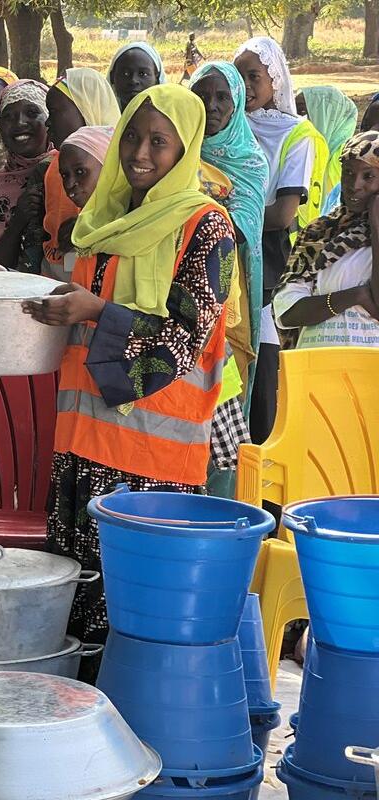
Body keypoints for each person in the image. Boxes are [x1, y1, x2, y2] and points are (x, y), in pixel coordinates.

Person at [23, 84, 235, 662]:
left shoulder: (206, 228)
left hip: (152, 466)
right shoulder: (103, 220)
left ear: (185, 148)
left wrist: (93, 310)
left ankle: (134, 742)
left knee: (135, 626)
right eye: (133, 138)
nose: (141, 153)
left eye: (159, 141)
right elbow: (86, 308)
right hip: (81, 448)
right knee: (74, 614)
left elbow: (184, 334)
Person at [235, 36, 327, 444]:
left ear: (276, 78)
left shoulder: (297, 134)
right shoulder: (231, 126)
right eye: (239, 77)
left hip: (270, 255)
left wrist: (228, 213)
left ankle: (264, 456)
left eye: (254, 76)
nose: (246, 86)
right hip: (234, 245)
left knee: (264, 356)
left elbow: (283, 213)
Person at [190, 61, 270, 496]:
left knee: (224, 408)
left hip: (229, 302)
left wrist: (195, 208)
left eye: (223, 97)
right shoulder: (177, 148)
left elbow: (240, 227)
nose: (213, 105)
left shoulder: (250, 161)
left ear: (238, 102)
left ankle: (221, 512)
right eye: (203, 95)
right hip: (180, 298)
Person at [275, 131, 379, 348]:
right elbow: (286, 312)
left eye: (368, 176)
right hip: (317, 368)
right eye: (348, 173)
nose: (355, 184)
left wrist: (377, 228)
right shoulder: (319, 232)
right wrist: (356, 296)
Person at [43, 68, 120, 279]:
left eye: (54, 112)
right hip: (55, 273)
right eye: (66, 175)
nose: (48, 123)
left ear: (86, 107)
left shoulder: (120, 166)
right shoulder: (52, 166)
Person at [0, 79, 54, 272]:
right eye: (8, 116)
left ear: (49, 120)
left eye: (31, 113)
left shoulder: (68, 170)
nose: (19, 123)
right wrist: (18, 219)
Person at [50, 125, 113, 262]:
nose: (69, 184)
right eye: (65, 175)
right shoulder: (76, 229)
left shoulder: (128, 226)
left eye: (80, 172)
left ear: (109, 168)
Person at [298, 86, 359, 213]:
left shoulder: (350, 160)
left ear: (325, 115)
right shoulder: (300, 150)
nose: (296, 118)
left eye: (303, 111)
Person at [108, 41, 166, 110]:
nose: (133, 80)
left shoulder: (168, 119)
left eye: (143, 74)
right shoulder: (98, 117)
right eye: (125, 74)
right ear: (112, 77)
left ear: (157, 78)